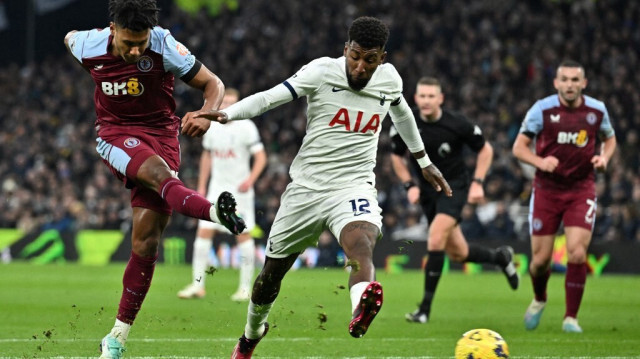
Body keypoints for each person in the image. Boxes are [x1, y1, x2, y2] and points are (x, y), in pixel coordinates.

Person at [194, 16, 452, 359]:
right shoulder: (321, 71)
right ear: (346, 49)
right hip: (306, 189)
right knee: (270, 276)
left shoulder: (389, 81)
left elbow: (402, 114)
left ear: (382, 59)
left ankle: (361, 304)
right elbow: (271, 98)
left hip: (353, 185)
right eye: (355, 56)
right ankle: (251, 335)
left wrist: (423, 161)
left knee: (361, 241)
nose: (361, 67)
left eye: (370, 59)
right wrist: (228, 115)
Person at [63, 1, 246, 358]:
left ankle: (116, 338)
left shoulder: (164, 45)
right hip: (115, 134)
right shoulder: (87, 44)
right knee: (158, 173)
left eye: (141, 43)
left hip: (163, 135)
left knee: (146, 242)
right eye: (128, 42)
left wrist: (208, 115)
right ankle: (214, 213)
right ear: (112, 29)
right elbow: (68, 38)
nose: (135, 51)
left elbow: (213, 84)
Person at [389, 77, 519, 324]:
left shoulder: (457, 123)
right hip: (428, 192)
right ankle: (501, 258)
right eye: (422, 96)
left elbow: (486, 149)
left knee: (436, 237)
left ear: (440, 99)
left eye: (431, 96)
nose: (426, 101)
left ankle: (424, 309)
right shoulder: (406, 121)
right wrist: (409, 185)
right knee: (459, 253)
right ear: (415, 99)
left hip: (453, 188)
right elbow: (396, 156)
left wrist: (478, 182)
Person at [512, 60, 617, 333]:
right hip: (546, 190)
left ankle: (571, 318)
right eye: (565, 80)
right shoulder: (542, 110)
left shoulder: (597, 110)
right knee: (539, 262)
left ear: (584, 83)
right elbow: (519, 148)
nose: (570, 84)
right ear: (556, 83)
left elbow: (610, 138)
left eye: (575, 80)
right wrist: (539, 161)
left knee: (578, 253)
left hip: (581, 189)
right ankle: (539, 298)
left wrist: (604, 158)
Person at [178, 88, 267, 301]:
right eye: (224, 101)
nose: (227, 105)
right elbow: (207, 156)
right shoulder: (212, 127)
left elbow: (261, 157)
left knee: (242, 235)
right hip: (216, 189)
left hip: (239, 191)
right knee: (203, 234)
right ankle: (198, 285)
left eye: (231, 102)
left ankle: (245, 288)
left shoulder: (247, 126)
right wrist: (201, 185)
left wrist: (250, 180)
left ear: (237, 104)